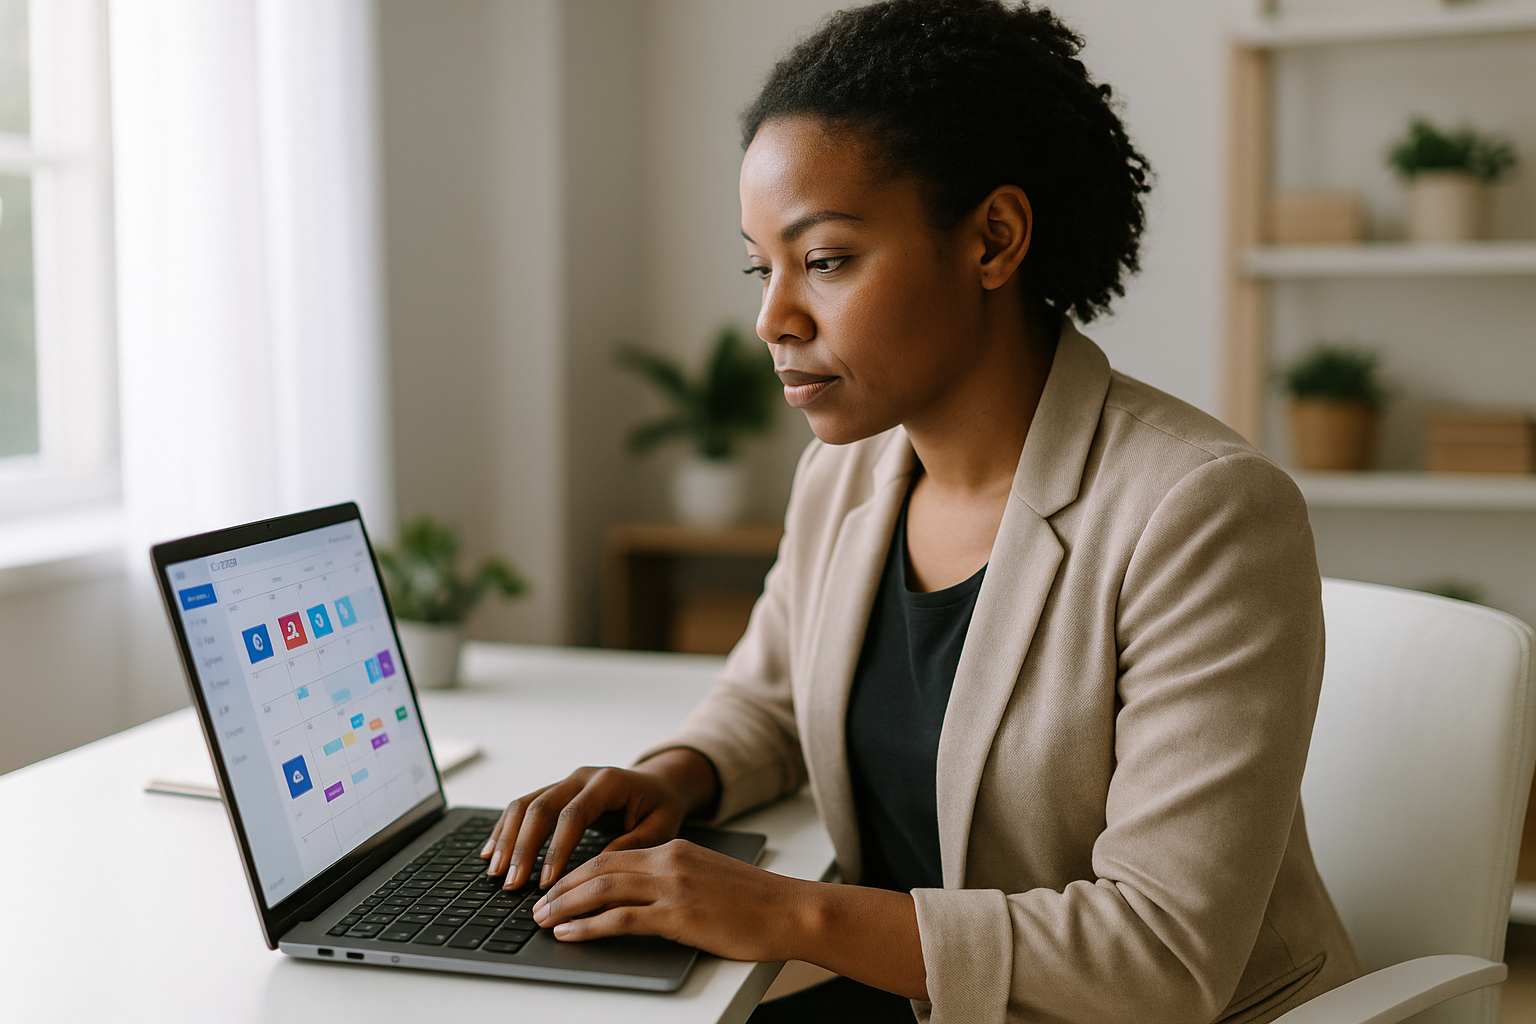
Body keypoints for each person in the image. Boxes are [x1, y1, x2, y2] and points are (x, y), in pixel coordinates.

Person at [479, 1, 1362, 1020]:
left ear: (993, 239)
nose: (773, 318)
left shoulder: (1203, 513)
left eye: (826, 260)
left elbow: (1160, 953)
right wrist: (676, 777)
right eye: (760, 267)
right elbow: (770, 701)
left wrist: (787, 913)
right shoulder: (847, 476)